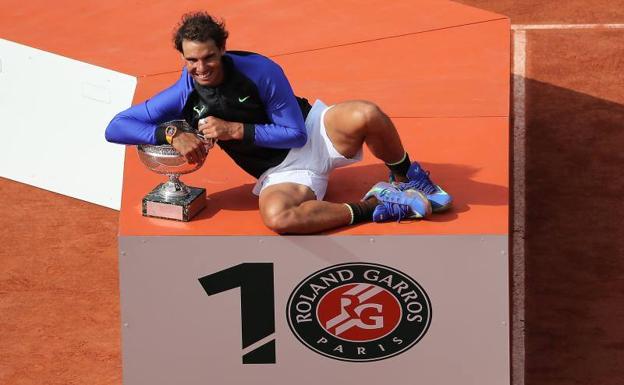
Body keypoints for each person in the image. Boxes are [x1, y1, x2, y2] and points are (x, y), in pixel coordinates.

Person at [105, 11, 452, 234]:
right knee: (278, 218)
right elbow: (116, 127)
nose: (201, 67)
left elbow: (294, 134)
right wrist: (170, 131)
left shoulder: (260, 70)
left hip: (315, 131)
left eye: (209, 57)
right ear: (182, 58)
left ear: (223, 49)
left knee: (367, 113)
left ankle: (409, 178)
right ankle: (379, 206)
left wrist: (234, 130)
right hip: (283, 173)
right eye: (192, 60)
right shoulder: (183, 92)